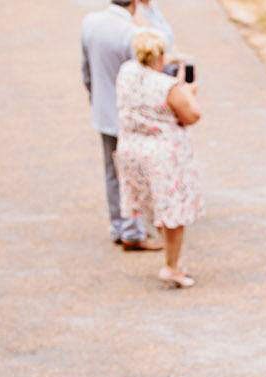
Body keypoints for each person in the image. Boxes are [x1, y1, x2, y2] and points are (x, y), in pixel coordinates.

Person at [115, 29, 203, 289]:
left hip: (133, 150)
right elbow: (192, 115)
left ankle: (170, 260)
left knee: (156, 207)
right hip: (163, 156)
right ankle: (172, 266)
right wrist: (189, 93)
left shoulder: (127, 72)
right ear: (160, 55)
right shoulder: (167, 86)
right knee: (174, 213)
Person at [81, 0, 157, 250]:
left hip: (103, 112)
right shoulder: (133, 34)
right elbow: (143, 79)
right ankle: (133, 232)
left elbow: (87, 71)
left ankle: (118, 226)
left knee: (112, 173)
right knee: (134, 174)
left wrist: (96, 98)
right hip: (130, 117)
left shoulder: (90, 23)